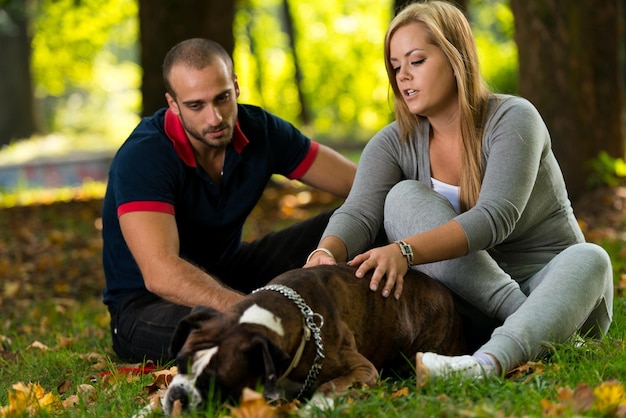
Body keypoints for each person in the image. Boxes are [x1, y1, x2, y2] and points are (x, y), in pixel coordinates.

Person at [305, 0, 613, 384]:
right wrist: (325, 252)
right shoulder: (393, 142)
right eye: (396, 66)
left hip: (562, 297)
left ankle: (483, 365)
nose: (403, 77)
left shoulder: (514, 118)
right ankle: (523, 329)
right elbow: (359, 212)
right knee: (400, 197)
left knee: (591, 259)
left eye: (416, 61)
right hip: (471, 308)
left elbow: (494, 218)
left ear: (456, 57)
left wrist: (405, 250)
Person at [102, 38, 358, 363]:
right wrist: (251, 308)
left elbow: (358, 183)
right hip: (146, 305)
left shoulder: (260, 129)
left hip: (230, 273)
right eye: (196, 105)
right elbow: (160, 273)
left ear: (235, 86)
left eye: (222, 98)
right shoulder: (144, 156)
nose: (215, 118)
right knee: (239, 337)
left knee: (361, 222)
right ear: (173, 103)